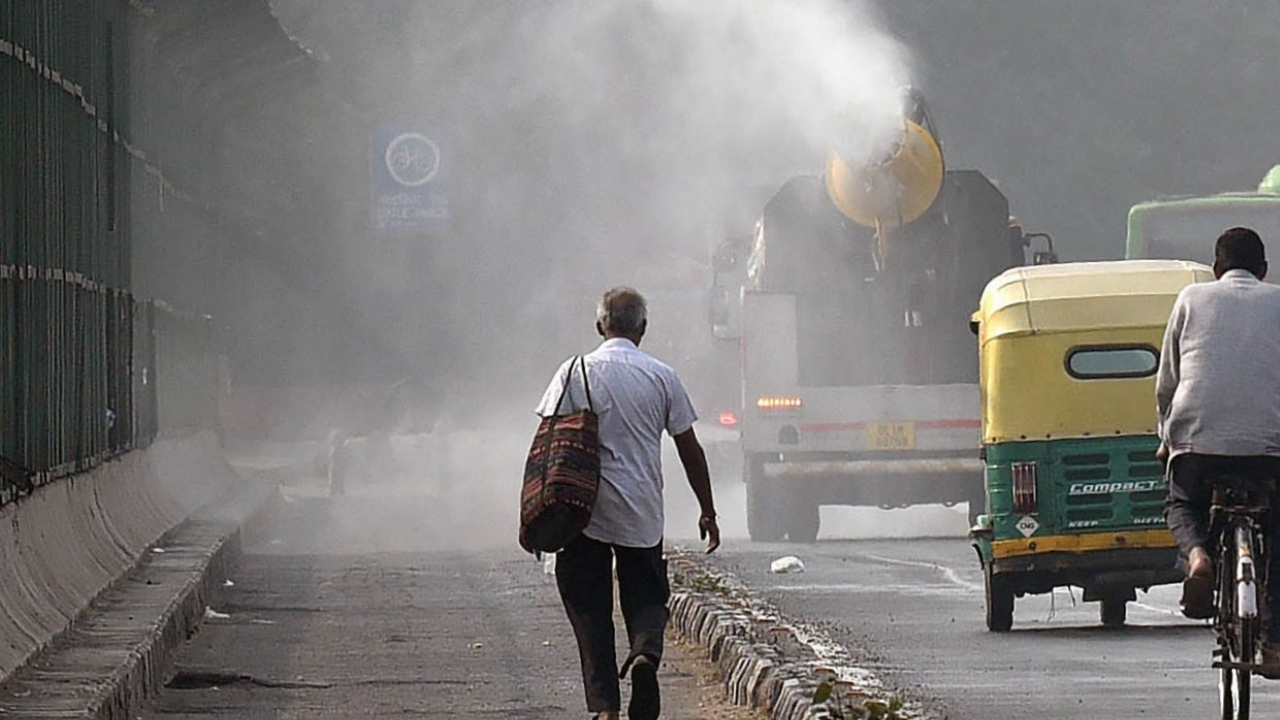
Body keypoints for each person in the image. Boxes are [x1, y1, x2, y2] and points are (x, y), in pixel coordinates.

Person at [535, 286, 720, 720]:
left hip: (584, 510)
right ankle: (645, 654)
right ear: (643, 328)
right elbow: (689, 448)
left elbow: (547, 444)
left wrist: (538, 511)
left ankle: (604, 708)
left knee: (587, 604)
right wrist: (707, 510)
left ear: (600, 326)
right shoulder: (662, 376)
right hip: (640, 507)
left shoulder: (574, 372)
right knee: (647, 591)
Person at [1158, 227, 1280, 662]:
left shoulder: (1191, 299)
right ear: (1264, 271)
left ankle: (1198, 557)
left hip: (1197, 442)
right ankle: (1277, 639)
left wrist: (1165, 438)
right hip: (1270, 451)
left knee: (1182, 502)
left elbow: (1167, 383)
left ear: (1215, 269)